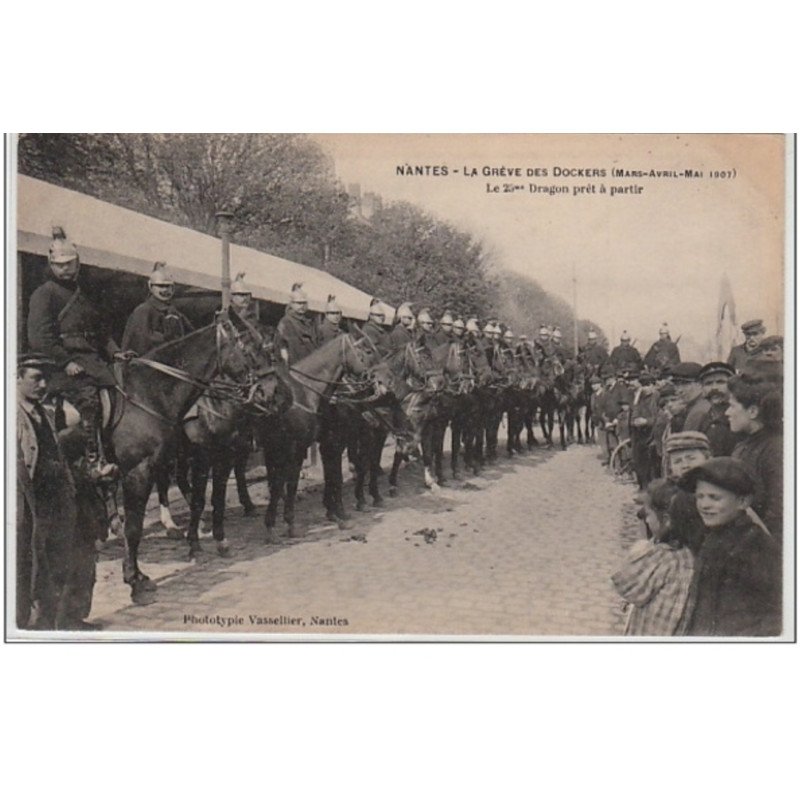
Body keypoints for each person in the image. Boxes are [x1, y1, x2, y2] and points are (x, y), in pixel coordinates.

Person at [26, 228, 130, 480]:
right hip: (59, 366)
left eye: (69, 264)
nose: (65, 269)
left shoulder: (85, 294)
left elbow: (101, 333)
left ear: (78, 263)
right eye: (59, 265)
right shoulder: (45, 294)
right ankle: (93, 461)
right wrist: (66, 361)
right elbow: (39, 337)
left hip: (92, 363)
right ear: (51, 264)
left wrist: (115, 352)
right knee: (88, 399)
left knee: (123, 396)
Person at [680, 458, 782, 636]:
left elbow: (775, 612)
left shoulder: (757, 546)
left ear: (743, 502)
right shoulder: (711, 536)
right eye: (700, 496)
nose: (704, 505)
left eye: (714, 497)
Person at [16, 353, 77, 630]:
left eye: (45, 379)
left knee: (49, 562)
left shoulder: (42, 412)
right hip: (26, 502)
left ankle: (48, 620)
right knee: (23, 561)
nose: (42, 385)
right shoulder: (12, 415)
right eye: (35, 378)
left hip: (51, 500)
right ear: (17, 378)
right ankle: (21, 622)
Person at [611, 479, 695, 636]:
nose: (646, 520)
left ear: (667, 520)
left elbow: (626, 585)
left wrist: (643, 542)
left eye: (649, 514)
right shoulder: (688, 553)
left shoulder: (662, 556)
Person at [727, 374, 783, 547]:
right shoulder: (744, 444)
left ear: (752, 412)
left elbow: (779, 515)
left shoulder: (776, 450)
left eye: (732, 406)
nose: (727, 413)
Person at [122, 262, 194, 356]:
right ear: (151, 287)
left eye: (168, 286)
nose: (165, 290)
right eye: (160, 286)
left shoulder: (176, 313)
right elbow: (142, 340)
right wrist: (168, 339)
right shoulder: (143, 310)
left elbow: (193, 335)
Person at [697, 361, 740, 456]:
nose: (714, 388)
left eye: (720, 382)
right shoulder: (702, 420)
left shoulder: (740, 419)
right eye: (708, 383)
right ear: (702, 389)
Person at [275, 282, 319, 365]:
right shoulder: (286, 322)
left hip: (310, 365)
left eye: (304, 303)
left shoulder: (308, 323)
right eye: (299, 303)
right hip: (295, 366)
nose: (302, 306)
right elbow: (282, 347)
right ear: (291, 304)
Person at [669, 362, 710, 431]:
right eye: (676, 385)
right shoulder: (692, 406)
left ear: (700, 384)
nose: (679, 390)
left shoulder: (699, 411)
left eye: (685, 384)